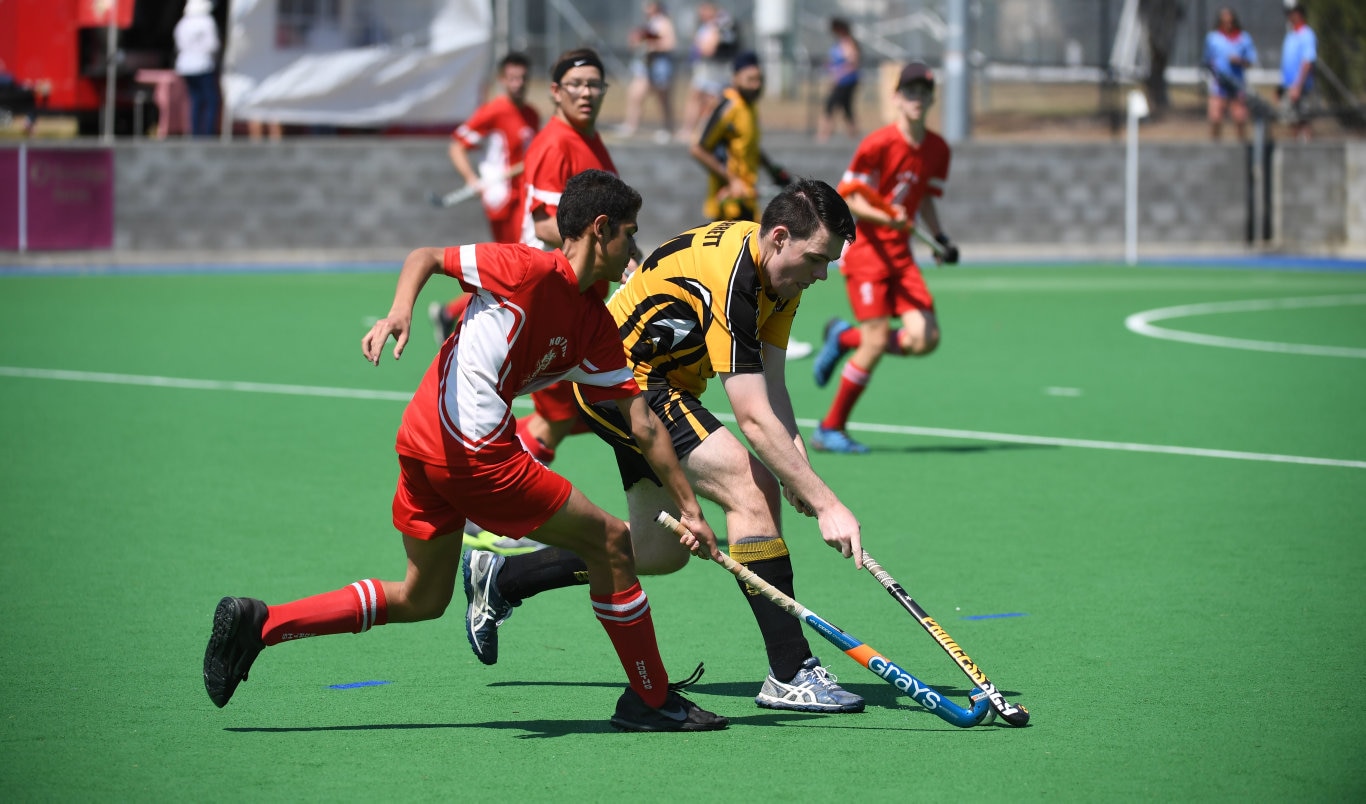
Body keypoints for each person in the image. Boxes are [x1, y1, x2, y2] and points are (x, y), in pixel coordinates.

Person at [202, 169, 728, 733]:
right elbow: (425, 256)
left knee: (421, 597)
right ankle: (650, 700)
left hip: (422, 441)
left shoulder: (596, 324)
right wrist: (401, 310)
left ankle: (263, 623)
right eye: (630, 231)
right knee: (613, 543)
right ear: (601, 231)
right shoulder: (525, 267)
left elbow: (643, 423)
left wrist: (690, 509)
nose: (636, 246)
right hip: (475, 455)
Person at [462, 179, 871, 715]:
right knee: (749, 489)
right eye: (817, 259)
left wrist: (803, 473)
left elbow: (774, 387)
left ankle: (504, 578)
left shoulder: (780, 278)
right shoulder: (739, 279)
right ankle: (790, 670)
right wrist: (826, 503)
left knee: (659, 553)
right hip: (626, 382)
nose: (821, 275)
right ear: (778, 237)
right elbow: (750, 415)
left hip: (653, 385)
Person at [810, 62, 959, 455]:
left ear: (931, 98)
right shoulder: (877, 144)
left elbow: (924, 199)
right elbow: (850, 197)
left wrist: (939, 238)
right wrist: (886, 217)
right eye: (909, 91)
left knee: (925, 338)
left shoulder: (938, 149)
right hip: (866, 252)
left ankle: (844, 337)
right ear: (896, 98)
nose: (916, 98)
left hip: (901, 257)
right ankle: (830, 427)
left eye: (923, 91)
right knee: (876, 341)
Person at [513, 48, 623, 469]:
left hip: (583, 300)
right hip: (551, 298)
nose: (586, 93)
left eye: (594, 85)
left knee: (580, 411)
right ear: (556, 92)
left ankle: (487, 476)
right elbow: (543, 224)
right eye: (576, 85)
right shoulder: (555, 144)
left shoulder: (590, 138)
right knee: (559, 416)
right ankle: (490, 514)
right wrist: (609, 248)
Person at [429, 52, 541, 343]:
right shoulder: (493, 111)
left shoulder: (532, 114)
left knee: (517, 269)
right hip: (503, 200)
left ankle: (451, 312)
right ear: (503, 80)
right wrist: (472, 180)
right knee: (517, 268)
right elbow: (457, 146)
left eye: (522, 78)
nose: (518, 83)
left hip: (525, 198)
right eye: (512, 78)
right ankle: (456, 313)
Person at [689, 51, 791, 224]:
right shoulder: (728, 106)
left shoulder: (750, 107)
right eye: (750, 79)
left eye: (759, 79)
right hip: (729, 200)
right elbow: (697, 149)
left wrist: (772, 170)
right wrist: (732, 180)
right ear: (735, 78)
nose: (756, 85)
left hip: (747, 197)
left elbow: (748, 146)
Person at [677, 3, 740, 142]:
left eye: (703, 10)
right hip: (706, 68)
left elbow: (709, 49)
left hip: (715, 69)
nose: (700, 14)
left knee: (712, 102)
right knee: (696, 97)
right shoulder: (709, 24)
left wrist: (699, 43)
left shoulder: (720, 23)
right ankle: (690, 129)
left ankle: (707, 131)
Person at [617, 2, 677, 142]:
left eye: (649, 5)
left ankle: (668, 128)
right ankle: (631, 125)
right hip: (647, 64)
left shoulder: (663, 22)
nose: (646, 9)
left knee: (663, 98)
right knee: (635, 94)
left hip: (659, 64)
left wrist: (651, 45)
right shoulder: (650, 22)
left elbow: (670, 44)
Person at [1202, 8, 1256, 141]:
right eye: (1224, 22)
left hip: (1237, 84)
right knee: (1215, 118)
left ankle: (1241, 150)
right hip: (1218, 85)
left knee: (1240, 118)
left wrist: (1239, 61)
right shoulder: (1213, 38)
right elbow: (1206, 60)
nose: (1228, 25)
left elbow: (1251, 61)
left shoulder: (1244, 38)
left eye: (1230, 22)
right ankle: (1215, 147)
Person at [174, 0, 220, 137]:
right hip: (203, 64)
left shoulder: (182, 23)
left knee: (195, 100)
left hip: (185, 65)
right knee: (211, 100)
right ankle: (208, 133)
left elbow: (179, 44)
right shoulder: (207, 21)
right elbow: (213, 45)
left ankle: (195, 133)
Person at [816, 18, 861, 143]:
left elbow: (853, 63)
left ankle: (824, 133)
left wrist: (838, 75)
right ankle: (853, 133)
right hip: (840, 81)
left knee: (830, 105)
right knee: (846, 108)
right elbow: (836, 62)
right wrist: (829, 66)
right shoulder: (839, 43)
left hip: (846, 81)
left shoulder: (848, 43)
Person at [1279, 4, 1317, 142]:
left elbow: (1307, 62)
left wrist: (1298, 86)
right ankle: (1295, 153)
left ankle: (1307, 151)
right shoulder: (1291, 35)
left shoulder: (1306, 34)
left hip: (1301, 87)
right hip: (1289, 86)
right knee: (1292, 120)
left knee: (1304, 120)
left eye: (1293, 13)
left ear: (1300, 14)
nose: (1290, 16)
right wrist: (1281, 87)